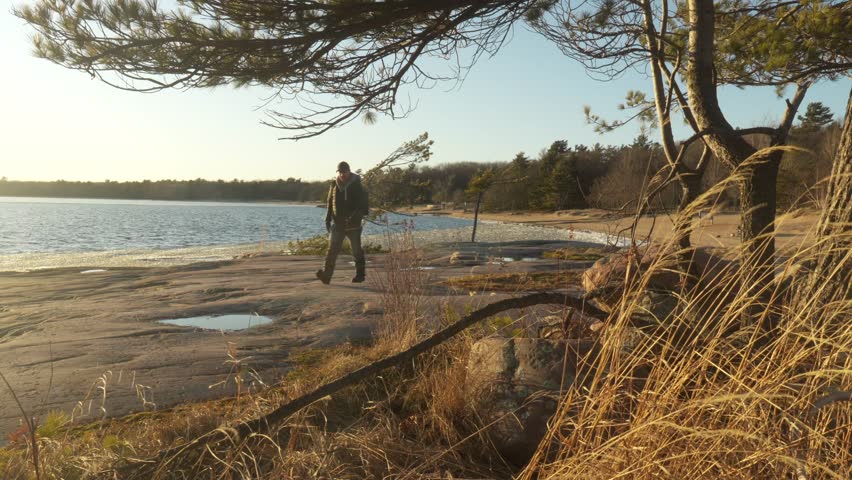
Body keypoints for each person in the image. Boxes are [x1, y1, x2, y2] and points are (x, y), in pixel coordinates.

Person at [316, 161, 369, 284]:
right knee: (332, 250)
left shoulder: (358, 184)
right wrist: (327, 219)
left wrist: (356, 216)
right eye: (339, 172)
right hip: (338, 223)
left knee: (356, 250)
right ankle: (326, 276)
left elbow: (364, 205)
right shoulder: (334, 184)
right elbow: (330, 202)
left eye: (343, 172)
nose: (342, 174)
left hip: (354, 224)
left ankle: (360, 275)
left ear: (349, 171)